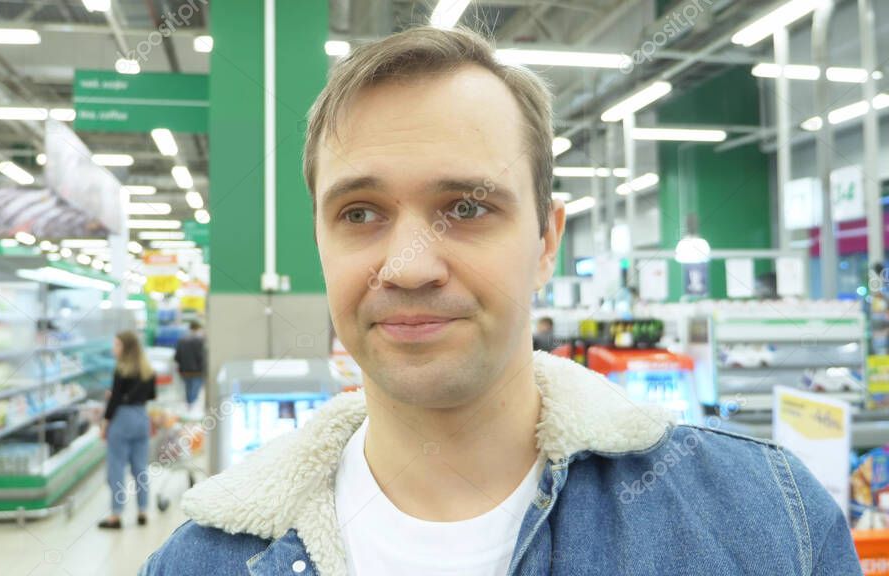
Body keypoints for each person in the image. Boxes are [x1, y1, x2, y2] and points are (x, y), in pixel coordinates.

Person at [141, 27, 860, 575]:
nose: (410, 267)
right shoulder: (203, 560)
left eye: (467, 207)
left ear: (547, 241)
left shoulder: (765, 523)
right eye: (360, 213)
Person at [99, 330, 157, 530]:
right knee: (140, 468)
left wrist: (105, 423)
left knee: (116, 468)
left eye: (117, 345)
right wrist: (131, 397)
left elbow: (114, 401)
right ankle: (142, 511)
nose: (114, 349)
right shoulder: (148, 370)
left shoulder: (121, 370)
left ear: (126, 348)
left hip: (122, 420)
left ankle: (116, 515)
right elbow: (151, 395)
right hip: (141, 418)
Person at [174, 320, 206, 410]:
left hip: (184, 371)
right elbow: (201, 357)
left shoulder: (181, 340)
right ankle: (192, 410)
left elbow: (177, 357)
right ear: (198, 329)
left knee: (188, 390)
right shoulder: (200, 341)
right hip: (197, 371)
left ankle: (189, 408)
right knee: (195, 392)